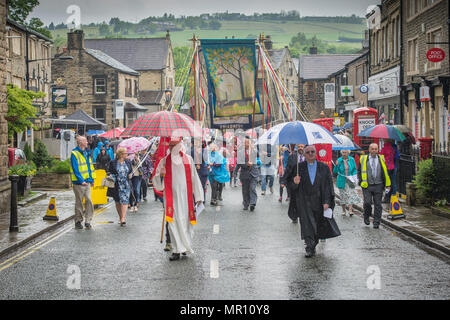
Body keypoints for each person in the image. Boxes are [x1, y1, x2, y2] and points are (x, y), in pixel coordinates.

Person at [152, 137, 204, 261]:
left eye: (174, 145)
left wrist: (198, 196)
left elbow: (194, 178)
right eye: (170, 146)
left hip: (186, 198)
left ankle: (185, 246)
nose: (171, 148)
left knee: (185, 221)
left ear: (179, 145)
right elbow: (156, 180)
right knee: (173, 222)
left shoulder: (188, 160)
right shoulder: (164, 162)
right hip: (171, 197)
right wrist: (161, 175)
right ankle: (176, 249)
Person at [295, 145, 341, 257]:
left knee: (317, 223)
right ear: (304, 154)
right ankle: (309, 246)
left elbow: (328, 186)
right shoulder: (299, 168)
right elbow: (290, 185)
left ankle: (314, 242)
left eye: (312, 151)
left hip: (319, 201)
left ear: (316, 153)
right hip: (304, 201)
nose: (310, 154)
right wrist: (294, 182)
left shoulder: (324, 167)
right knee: (306, 224)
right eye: (308, 152)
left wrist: (327, 201)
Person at [358, 143, 391, 229]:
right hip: (367, 185)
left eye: (375, 149)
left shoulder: (381, 159)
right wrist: (360, 181)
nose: (374, 151)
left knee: (378, 204)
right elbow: (359, 171)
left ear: (377, 150)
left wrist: (388, 185)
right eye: (372, 149)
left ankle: (376, 222)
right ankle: (366, 216)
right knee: (368, 203)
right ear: (369, 150)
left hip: (378, 185)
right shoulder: (363, 159)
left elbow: (385, 172)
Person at [70, 135, 96, 230]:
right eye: (85, 141)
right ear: (81, 143)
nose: (87, 143)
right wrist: (81, 181)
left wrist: (91, 179)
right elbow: (75, 169)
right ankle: (78, 221)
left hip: (87, 182)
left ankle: (88, 221)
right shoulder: (74, 153)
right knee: (79, 202)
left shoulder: (86, 153)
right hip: (78, 183)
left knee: (89, 200)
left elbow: (89, 168)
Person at [107, 148, 132, 226]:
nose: (127, 154)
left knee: (124, 201)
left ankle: (123, 218)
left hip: (125, 185)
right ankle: (120, 216)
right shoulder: (113, 162)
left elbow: (130, 171)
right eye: (125, 153)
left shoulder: (128, 162)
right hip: (116, 185)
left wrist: (131, 175)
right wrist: (111, 176)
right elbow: (109, 171)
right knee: (117, 201)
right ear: (121, 154)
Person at [281, 144, 305, 223]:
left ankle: (303, 215)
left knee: (304, 200)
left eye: (302, 147)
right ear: (296, 148)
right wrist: (283, 181)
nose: (300, 148)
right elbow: (288, 169)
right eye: (299, 147)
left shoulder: (308, 156)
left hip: (305, 183)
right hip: (293, 182)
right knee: (294, 200)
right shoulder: (292, 157)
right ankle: (294, 216)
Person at [234, 136, 259, 211]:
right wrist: (246, 164)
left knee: (252, 188)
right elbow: (239, 163)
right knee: (245, 190)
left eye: (248, 142)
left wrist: (253, 148)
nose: (247, 144)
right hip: (245, 174)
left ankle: (252, 203)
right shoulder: (240, 152)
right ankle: (246, 203)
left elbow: (258, 155)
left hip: (254, 173)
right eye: (245, 143)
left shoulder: (253, 150)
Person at [333, 150, 358, 216]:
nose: (344, 154)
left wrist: (353, 175)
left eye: (345, 152)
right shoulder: (339, 160)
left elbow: (355, 169)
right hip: (341, 179)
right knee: (343, 196)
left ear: (348, 153)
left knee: (350, 195)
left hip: (350, 179)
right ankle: (343, 210)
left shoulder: (351, 159)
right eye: (343, 152)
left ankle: (350, 210)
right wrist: (336, 165)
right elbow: (335, 171)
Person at [191, 139, 209, 203]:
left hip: (203, 171)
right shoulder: (191, 151)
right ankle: (195, 202)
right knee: (194, 188)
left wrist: (199, 153)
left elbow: (206, 159)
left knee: (202, 187)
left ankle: (202, 202)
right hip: (194, 171)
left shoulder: (204, 150)